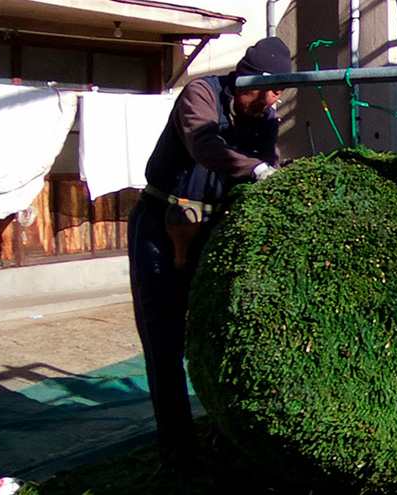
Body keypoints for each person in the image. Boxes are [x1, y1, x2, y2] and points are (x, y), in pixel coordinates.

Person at [127, 37, 292, 460]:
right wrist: (256, 169)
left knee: (216, 328)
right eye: (271, 88)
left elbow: (266, 165)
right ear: (245, 79)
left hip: (210, 228)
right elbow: (204, 145)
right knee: (163, 339)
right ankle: (178, 447)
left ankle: (223, 427)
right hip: (161, 228)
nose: (275, 98)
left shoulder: (265, 117)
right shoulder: (202, 94)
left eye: (281, 90)